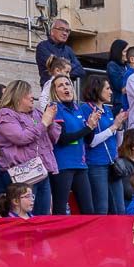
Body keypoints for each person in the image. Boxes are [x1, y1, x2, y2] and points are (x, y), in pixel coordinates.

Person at [0, 79, 60, 216]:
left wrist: (50, 121)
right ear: (17, 96)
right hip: (22, 174)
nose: (32, 97)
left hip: (41, 171)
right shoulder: (5, 115)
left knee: (43, 215)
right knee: (24, 215)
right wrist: (43, 123)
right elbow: (20, 137)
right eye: (28, 93)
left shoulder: (36, 113)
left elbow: (54, 138)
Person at [47, 74, 96, 215]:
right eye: (60, 85)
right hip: (63, 165)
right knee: (60, 209)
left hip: (80, 165)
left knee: (88, 210)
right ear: (54, 91)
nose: (65, 87)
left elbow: (88, 139)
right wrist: (87, 128)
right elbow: (62, 139)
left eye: (67, 84)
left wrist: (91, 125)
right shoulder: (54, 108)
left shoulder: (77, 108)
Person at [80, 74, 128, 215]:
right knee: (101, 209)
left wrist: (119, 128)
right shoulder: (86, 109)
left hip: (112, 163)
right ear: (97, 89)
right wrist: (113, 127)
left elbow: (117, 143)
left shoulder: (107, 110)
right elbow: (92, 141)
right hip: (96, 164)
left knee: (120, 209)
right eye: (107, 88)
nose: (111, 92)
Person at [34, 18, 83, 84]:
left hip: (67, 88)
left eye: (67, 31)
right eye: (61, 29)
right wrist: (69, 67)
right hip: (50, 88)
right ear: (52, 31)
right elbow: (54, 67)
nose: (65, 33)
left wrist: (63, 68)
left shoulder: (68, 50)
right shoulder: (43, 47)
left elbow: (80, 71)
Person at [106, 39, 132, 112]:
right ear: (118, 52)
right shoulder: (112, 65)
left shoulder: (128, 66)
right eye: (125, 51)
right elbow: (120, 85)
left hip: (131, 101)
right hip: (120, 103)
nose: (128, 54)